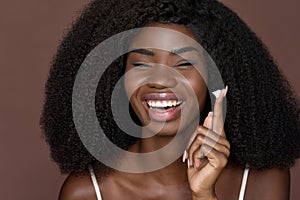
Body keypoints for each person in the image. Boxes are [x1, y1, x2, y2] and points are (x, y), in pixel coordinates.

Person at [40, 0, 300, 199]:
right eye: (141, 63)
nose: (161, 80)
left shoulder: (261, 181)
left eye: (184, 63)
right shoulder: (87, 192)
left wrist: (204, 195)